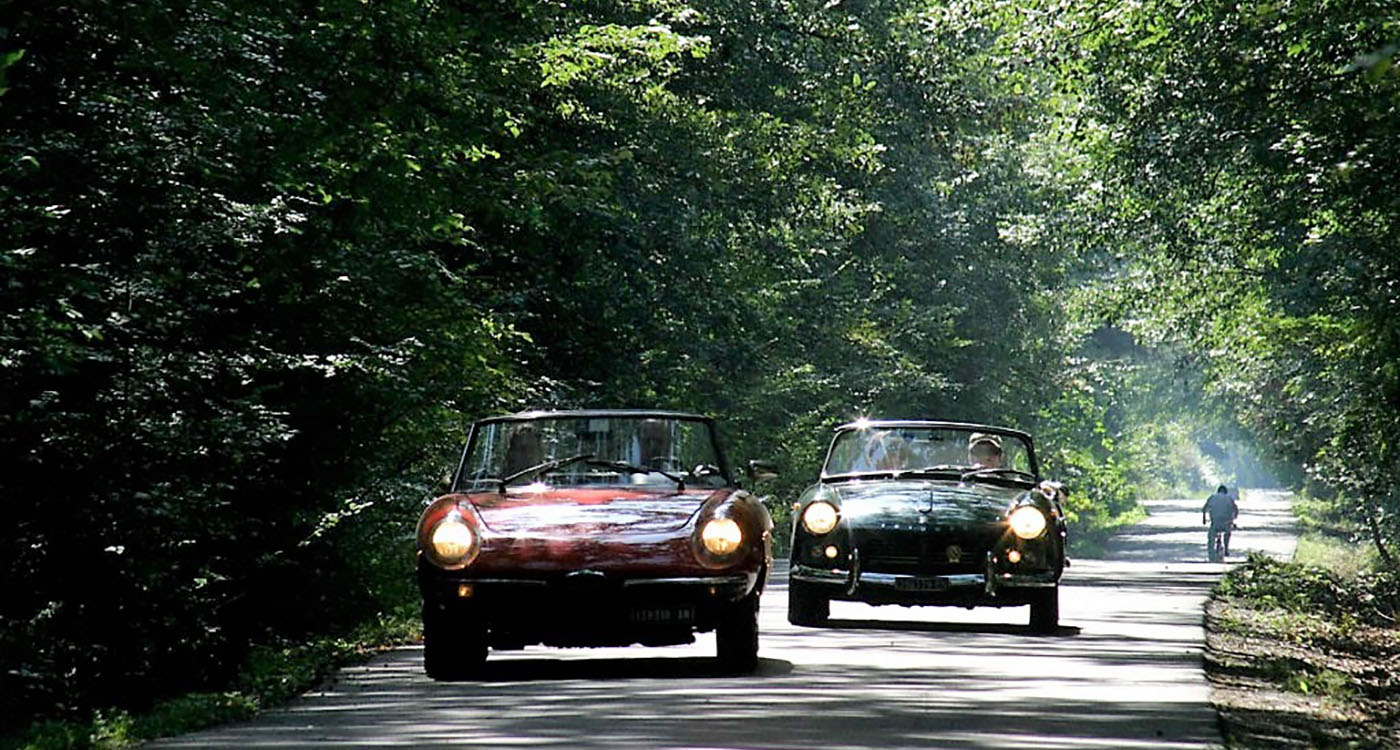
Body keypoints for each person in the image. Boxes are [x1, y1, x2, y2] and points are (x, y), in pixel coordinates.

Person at [1202, 484, 1239, 560]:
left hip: (1215, 522)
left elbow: (1204, 509)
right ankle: (1226, 548)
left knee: (1211, 537)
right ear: (1225, 492)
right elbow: (1235, 509)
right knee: (1227, 533)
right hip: (1226, 522)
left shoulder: (1212, 497)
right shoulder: (1229, 498)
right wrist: (1233, 519)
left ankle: (1211, 553)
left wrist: (1204, 519)